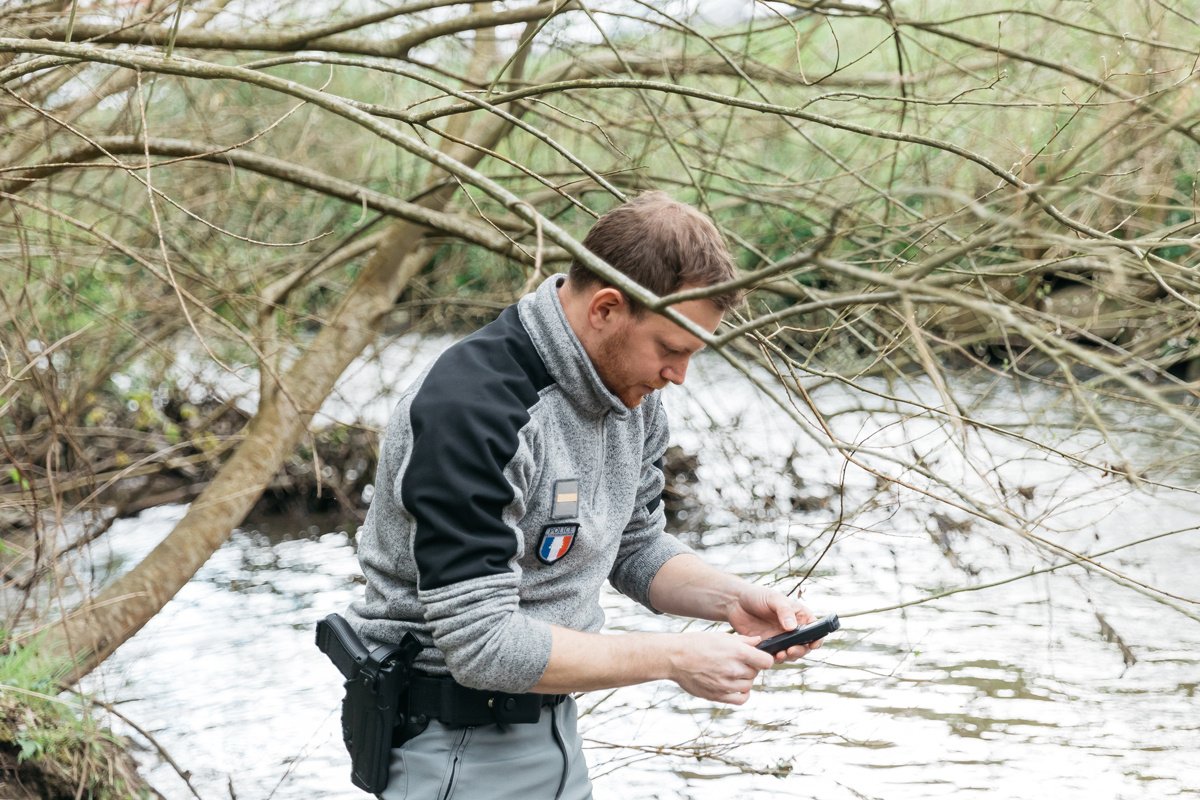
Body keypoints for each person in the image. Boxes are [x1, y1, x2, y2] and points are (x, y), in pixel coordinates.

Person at [345, 191, 821, 800]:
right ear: (605, 309)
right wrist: (676, 658)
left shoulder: (631, 394)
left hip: (554, 731)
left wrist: (732, 601)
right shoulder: (473, 410)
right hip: (451, 745)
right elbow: (482, 646)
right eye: (671, 350)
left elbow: (634, 545)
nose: (679, 375)